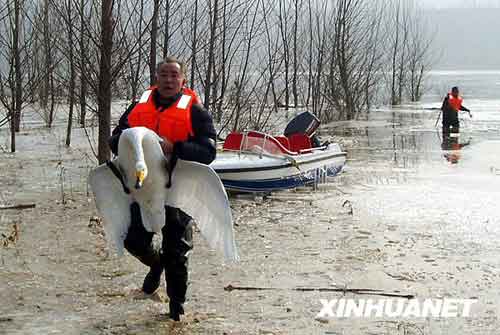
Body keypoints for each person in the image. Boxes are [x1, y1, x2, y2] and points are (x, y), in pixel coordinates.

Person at [108, 56, 217, 321]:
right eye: (164, 75)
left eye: (174, 76)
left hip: (178, 189)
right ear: (156, 78)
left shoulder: (195, 111)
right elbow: (115, 140)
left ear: (183, 80)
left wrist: (175, 147)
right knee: (132, 241)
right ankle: (156, 265)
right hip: (143, 187)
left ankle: (175, 313)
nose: (169, 80)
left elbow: (209, 150)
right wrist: (127, 144)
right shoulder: (137, 108)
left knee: (176, 253)